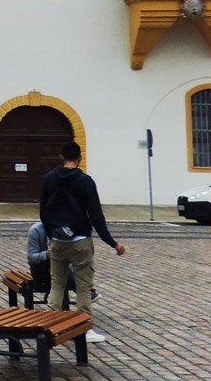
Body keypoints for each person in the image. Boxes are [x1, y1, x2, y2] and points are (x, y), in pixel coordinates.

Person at [40, 140, 124, 343]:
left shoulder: (48, 179)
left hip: (58, 241)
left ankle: (51, 324)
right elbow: (96, 215)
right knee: (83, 286)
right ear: (79, 158)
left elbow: (43, 212)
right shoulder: (86, 181)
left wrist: (52, 234)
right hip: (80, 241)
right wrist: (113, 243)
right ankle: (83, 328)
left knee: (57, 284)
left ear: (61, 157)